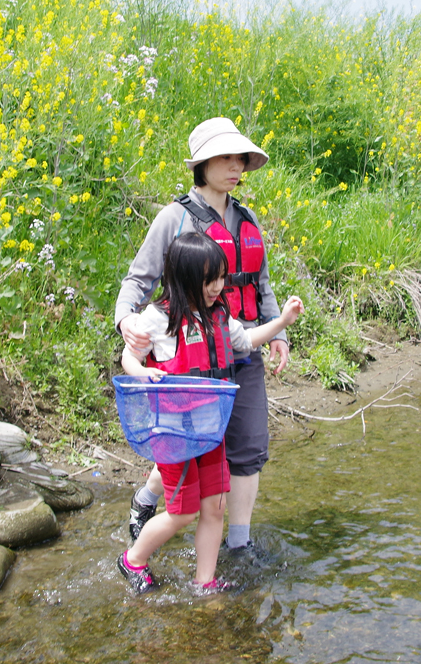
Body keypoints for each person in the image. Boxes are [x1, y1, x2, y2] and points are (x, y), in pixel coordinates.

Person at [115, 117, 288, 553]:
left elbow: (260, 284)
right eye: (226, 158)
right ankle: (147, 498)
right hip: (189, 362)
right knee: (187, 448)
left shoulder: (247, 220)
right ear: (203, 164)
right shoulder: (173, 218)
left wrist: (277, 333)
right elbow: (138, 281)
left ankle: (239, 544)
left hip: (239, 349)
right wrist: (126, 322)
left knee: (247, 446)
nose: (236, 167)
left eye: (241, 159)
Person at [117, 232, 304, 594]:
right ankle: (133, 559)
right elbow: (130, 356)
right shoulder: (157, 319)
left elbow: (246, 341)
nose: (219, 286)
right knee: (182, 512)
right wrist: (142, 372)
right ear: (185, 278)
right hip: (175, 436)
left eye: (222, 277)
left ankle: (205, 581)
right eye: (210, 280)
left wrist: (281, 322)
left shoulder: (219, 316)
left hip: (210, 431)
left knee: (216, 506)